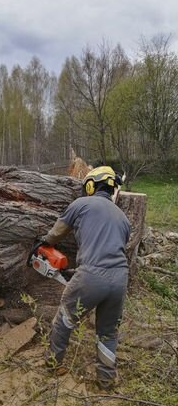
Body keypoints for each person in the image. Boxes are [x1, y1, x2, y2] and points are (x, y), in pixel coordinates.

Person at [42, 166, 131, 390]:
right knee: (108, 332)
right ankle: (106, 378)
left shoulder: (81, 204)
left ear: (90, 185)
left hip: (92, 273)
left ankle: (53, 363)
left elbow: (56, 233)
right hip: (120, 278)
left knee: (65, 318)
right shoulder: (123, 218)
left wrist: (44, 244)